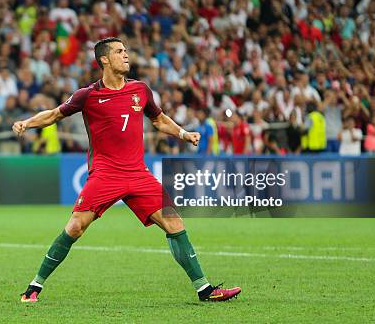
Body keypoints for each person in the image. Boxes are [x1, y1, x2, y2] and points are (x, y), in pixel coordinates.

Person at [14, 38, 240, 303]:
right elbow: (53, 115)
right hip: (105, 174)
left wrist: (182, 133)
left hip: (138, 174)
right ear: (104, 60)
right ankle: (34, 287)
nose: (126, 55)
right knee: (75, 227)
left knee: (174, 223)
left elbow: (158, 119)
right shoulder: (87, 95)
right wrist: (26, 123)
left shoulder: (141, 90)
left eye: (126, 51)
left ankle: (205, 289)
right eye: (119, 51)